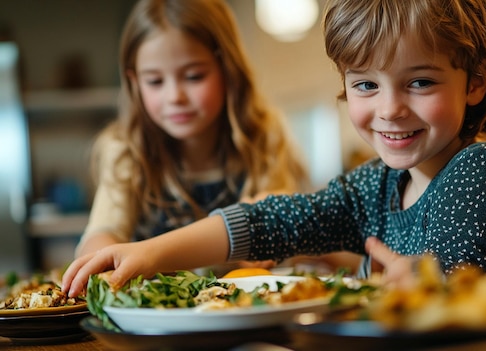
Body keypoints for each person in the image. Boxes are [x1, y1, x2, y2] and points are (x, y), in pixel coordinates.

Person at [63, 0, 486, 299]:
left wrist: (409, 286)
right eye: (365, 85)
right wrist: (147, 254)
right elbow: (272, 222)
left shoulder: (483, 169)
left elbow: (446, 292)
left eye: (419, 81)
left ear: (477, 81)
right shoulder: (372, 184)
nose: (390, 108)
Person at [74, 0, 360, 274]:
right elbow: (102, 234)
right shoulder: (126, 150)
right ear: (134, 83)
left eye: (194, 76)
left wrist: (268, 249)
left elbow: (275, 218)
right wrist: (100, 258)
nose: (175, 96)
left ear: (228, 71)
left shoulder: (262, 138)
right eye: (155, 81)